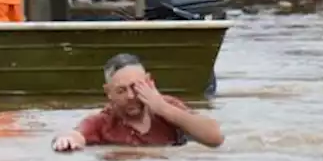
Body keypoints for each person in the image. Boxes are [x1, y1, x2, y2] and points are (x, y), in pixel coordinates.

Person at [52, 53, 224, 151]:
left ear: (149, 82)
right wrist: (67, 140)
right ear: (108, 92)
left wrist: (163, 109)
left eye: (136, 87)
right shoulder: (103, 122)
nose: (131, 96)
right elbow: (77, 134)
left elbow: (215, 138)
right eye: (121, 90)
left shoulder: (167, 108)